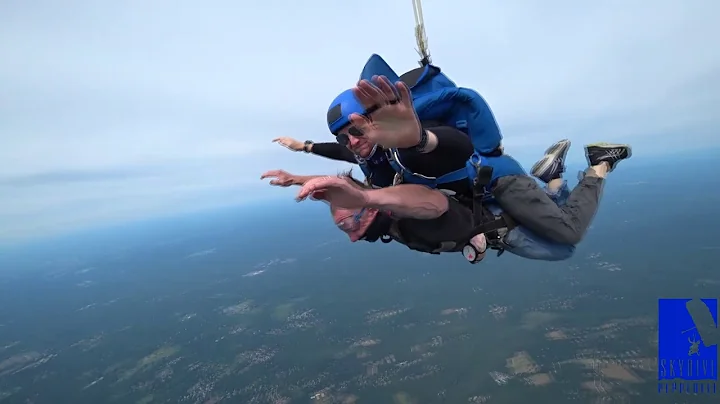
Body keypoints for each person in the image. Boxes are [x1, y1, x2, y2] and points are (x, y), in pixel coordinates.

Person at [261, 138, 631, 262]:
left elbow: (430, 204)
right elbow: (344, 169)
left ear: (369, 208)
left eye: (350, 226)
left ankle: (598, 165)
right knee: (564, 250)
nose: (353, 236)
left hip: (502, 220)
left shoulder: (396, 203)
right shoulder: (384, 201)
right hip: (496, 228)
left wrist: (362, 195)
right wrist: (298, 176)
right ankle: (553, 181)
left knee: (569, 236)